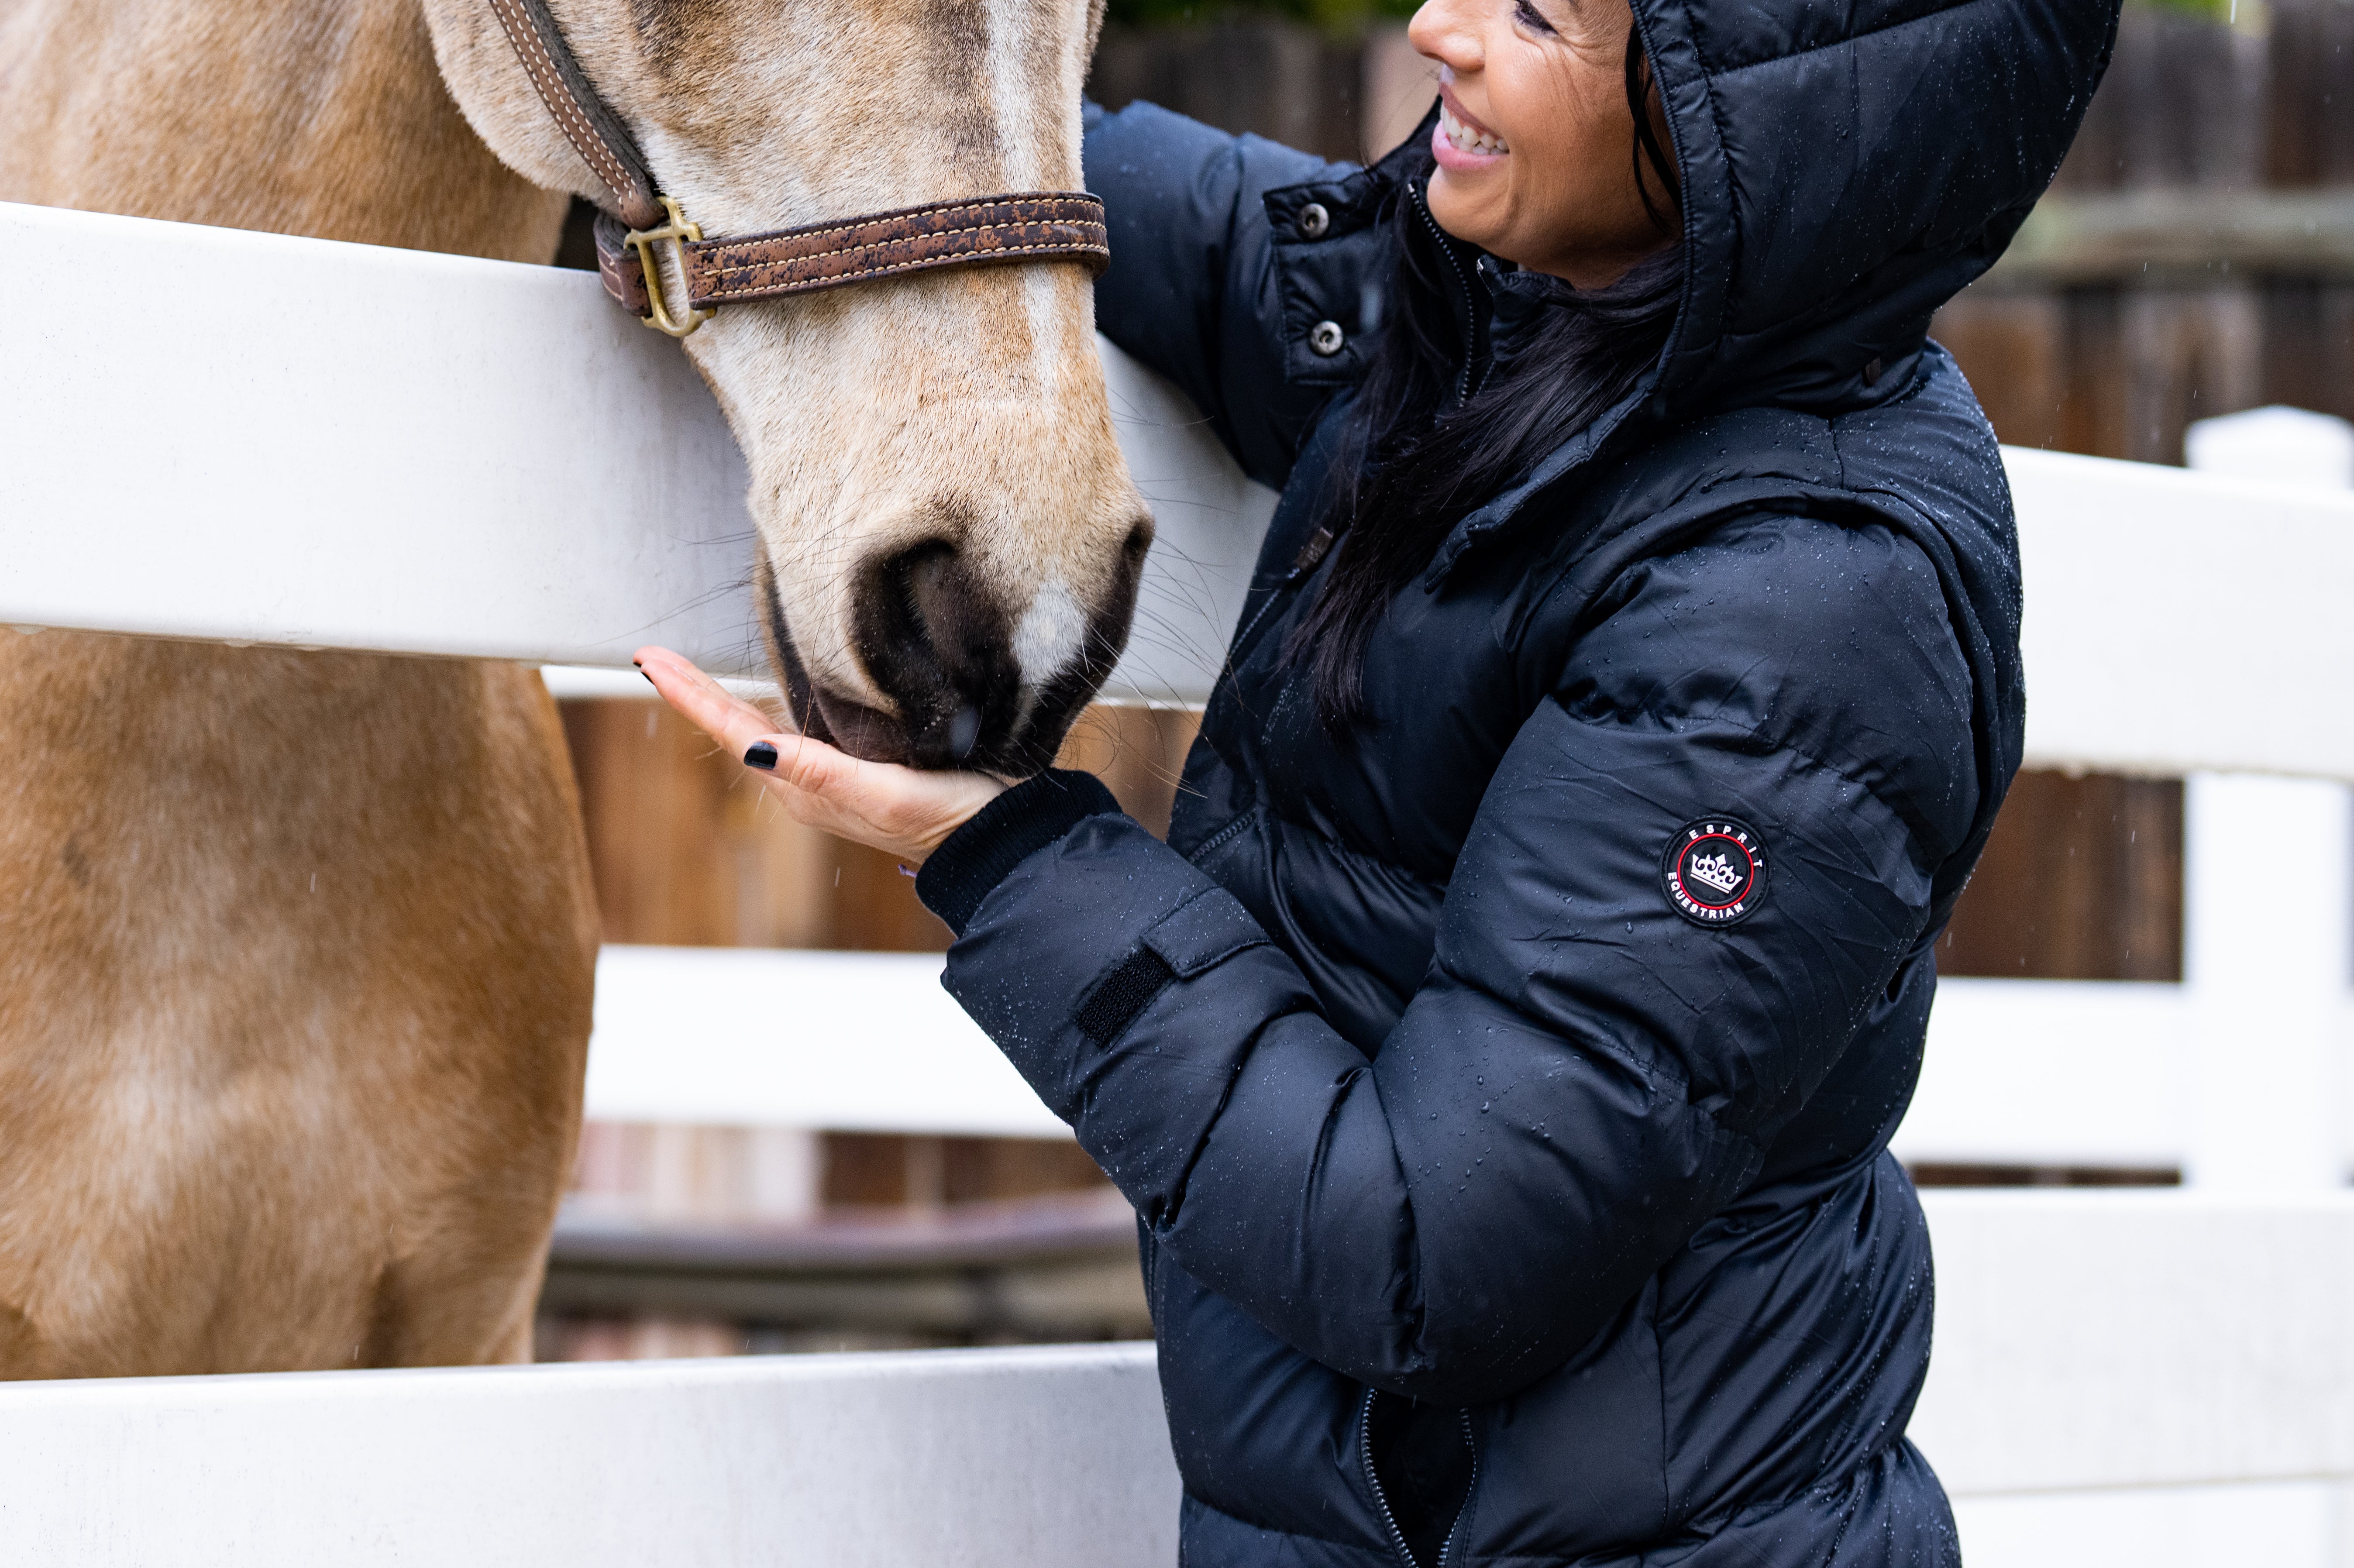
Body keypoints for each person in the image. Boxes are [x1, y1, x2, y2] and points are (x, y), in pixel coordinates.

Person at [638, 0, 2120, 1560]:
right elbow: (1214, 243)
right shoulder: (1522, 315)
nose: (1441, 27)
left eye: (1542, 14)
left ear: (1746, 115)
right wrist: (820, 104)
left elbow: (1430, 1251)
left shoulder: (1801, 608)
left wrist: (1018, 863)